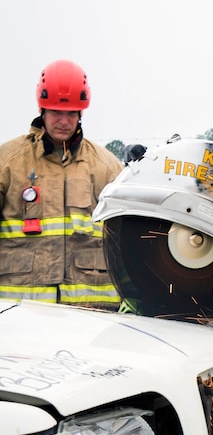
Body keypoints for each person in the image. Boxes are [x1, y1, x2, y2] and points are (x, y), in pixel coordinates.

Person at [0, 59, 122, 308]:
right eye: (56, 112)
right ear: (42, 109)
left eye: (71, 114)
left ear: (81, 113)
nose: (64, 121)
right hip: (18, 313)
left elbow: (128, 240)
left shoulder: (107, 167)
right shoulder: (7, 162)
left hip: (93, 313)